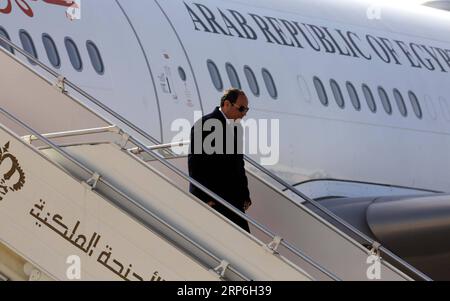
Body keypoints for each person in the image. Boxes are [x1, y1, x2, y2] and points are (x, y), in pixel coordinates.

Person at [188, 88, 252, 232]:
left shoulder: (236, 128)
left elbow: (238, 164)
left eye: (246, 110)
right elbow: (195, 163)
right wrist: (202, 197)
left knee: (243, 243)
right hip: (213, 200)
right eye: (241, 109)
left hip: (233, 201)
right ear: (226, 104)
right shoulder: (205, 124)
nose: (243, 114)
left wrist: (244, 194)